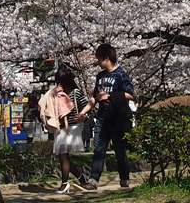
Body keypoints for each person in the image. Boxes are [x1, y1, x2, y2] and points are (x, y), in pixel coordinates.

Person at [83, 44, 135, 191]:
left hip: (118, 118)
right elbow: (94, 98)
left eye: (99, 59)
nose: (97, 62)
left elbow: (130, 94)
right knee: (99, 149)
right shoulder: (100, 76)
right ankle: (93, 180)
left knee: (120, 150)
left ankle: (124, 178)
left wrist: (111, 95)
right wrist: (83, 113)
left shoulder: (120, 74)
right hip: (102, 117)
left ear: (106, 58)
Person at [52, 66, 94, 194]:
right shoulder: (58, 92)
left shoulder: (76, 92)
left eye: (61, 80)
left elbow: (88, 105)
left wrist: (82, 116)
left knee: (63, 154)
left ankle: (65, 184)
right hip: (61, 126)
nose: (60, 83)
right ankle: (82, 179)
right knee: (63, 156)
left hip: (73, 127)